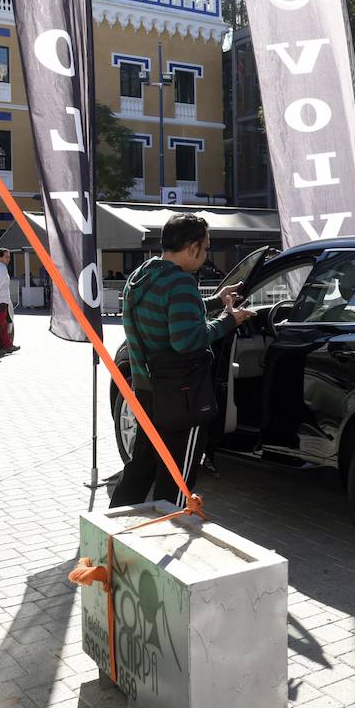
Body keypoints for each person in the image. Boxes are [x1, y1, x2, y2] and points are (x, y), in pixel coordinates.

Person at [109, 214, 253, 509]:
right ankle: (167, 534)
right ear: (192, 247)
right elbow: (187, 341)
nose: (206, 254)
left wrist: (216, 300)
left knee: (141, 467)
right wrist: (229, 320)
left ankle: (111, 534)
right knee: (176, 479)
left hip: (146, 391)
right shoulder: (181, 283)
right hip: (180, 398)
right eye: (206, 247)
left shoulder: (143, 275)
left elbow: (171, 310)